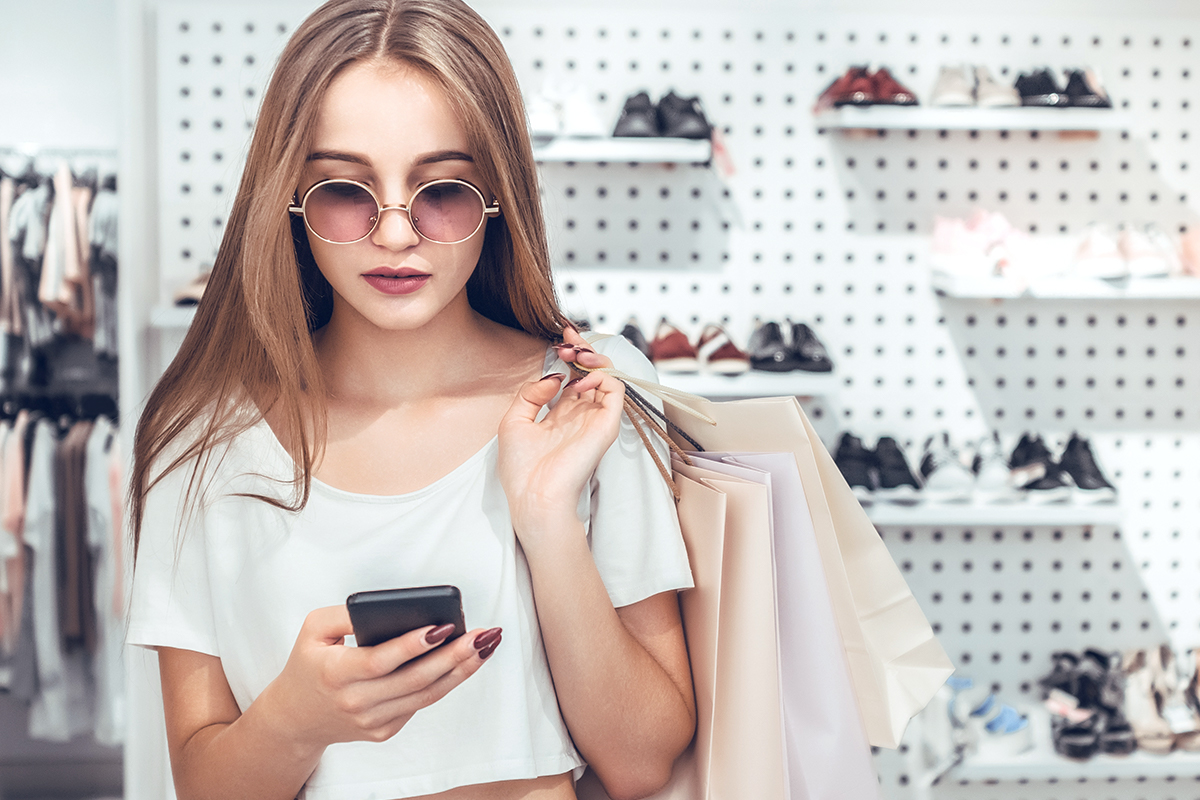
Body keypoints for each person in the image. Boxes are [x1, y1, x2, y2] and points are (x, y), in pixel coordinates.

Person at [125, 1, 697, 799]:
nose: (395, 235)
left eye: (442, 189)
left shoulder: (592, 398)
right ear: (289, 193)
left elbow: (642, 764)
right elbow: (202, 785)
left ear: (497, 193)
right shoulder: (199, 440)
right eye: (344, 188)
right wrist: (298, 717)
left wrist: (547, 526)